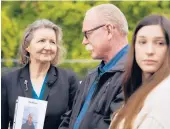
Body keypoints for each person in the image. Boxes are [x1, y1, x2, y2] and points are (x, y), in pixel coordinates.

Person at [59, 4, 129, 129]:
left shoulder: (133, 75)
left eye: (87, 33)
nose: (84, 41)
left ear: (108, 30)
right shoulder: (91, 77)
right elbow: (70, 118)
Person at [1, 19, 79, 129]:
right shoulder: (8, 81)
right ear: (27, 46)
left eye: (52, 42)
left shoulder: (69, 80)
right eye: (42, 41)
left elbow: (76, 121)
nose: (48, 47)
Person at [109, 14, 170, 129]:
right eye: (142, 42)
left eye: (160, 43)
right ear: (134, 47)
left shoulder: (164, 95)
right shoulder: (137, 88)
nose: (150, 51)